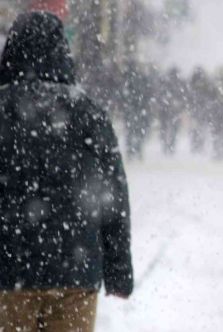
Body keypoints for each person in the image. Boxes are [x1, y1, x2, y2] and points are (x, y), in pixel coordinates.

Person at [0, 12, 133, 331]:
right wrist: (118, 268)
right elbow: (113, 197)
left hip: (7, 270)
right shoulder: (88, 112)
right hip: (75, 271)